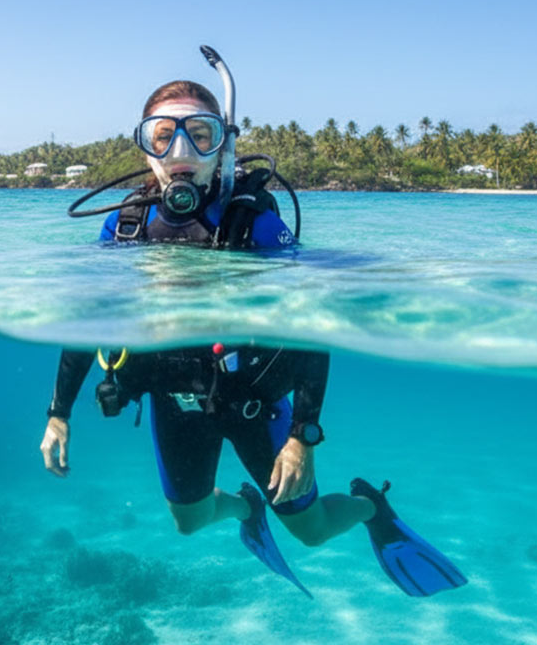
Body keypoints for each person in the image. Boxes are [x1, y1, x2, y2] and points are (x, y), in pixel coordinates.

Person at [42, 70, 466, 598]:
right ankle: (246, 506)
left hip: (251, 406)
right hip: (175, 403)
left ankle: (369, 508)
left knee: (310, 533)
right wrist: (58, 413)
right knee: (188, 522)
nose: (181, 148)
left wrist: (302, 437)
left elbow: (311, 325)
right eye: (162, 133)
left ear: (223, 144)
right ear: (146, 145)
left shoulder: (255, 226)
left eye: (199, 133)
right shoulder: (125, 226)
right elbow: (89, 319)